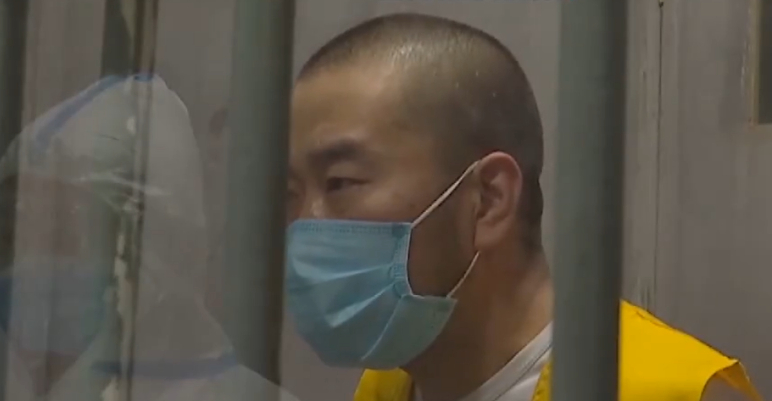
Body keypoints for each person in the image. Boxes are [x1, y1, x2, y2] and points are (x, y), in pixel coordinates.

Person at [282, 13, 763, 401]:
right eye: (290, 194)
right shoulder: (392, 383)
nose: (305, 224)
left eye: (340, 182)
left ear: (488, 201)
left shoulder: (666, 392)